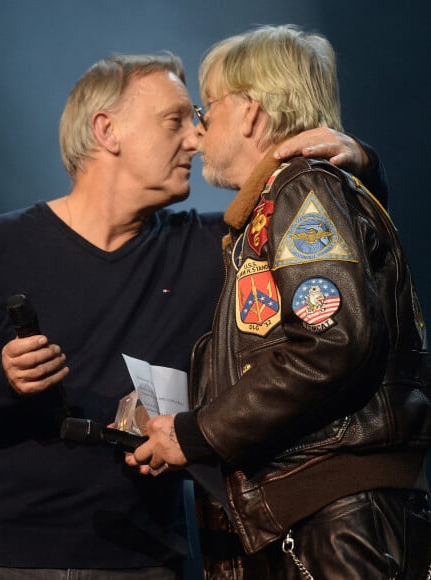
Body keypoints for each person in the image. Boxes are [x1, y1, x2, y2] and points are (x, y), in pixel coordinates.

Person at [0, 51, 386, 579]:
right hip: (0, 558)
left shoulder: (216, 248)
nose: (196, 138)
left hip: (141, 560)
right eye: (174, 120)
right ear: (107, 130)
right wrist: (2, 380)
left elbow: (342, 259)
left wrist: (359, 161)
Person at [126, 26, 431, 579]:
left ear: (249, 112)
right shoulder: (281, 204)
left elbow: (332, 343)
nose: (199, 128)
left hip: (336, 524)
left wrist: (197, 432)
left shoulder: (302, 188)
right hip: (325, 519)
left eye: (208, 107)